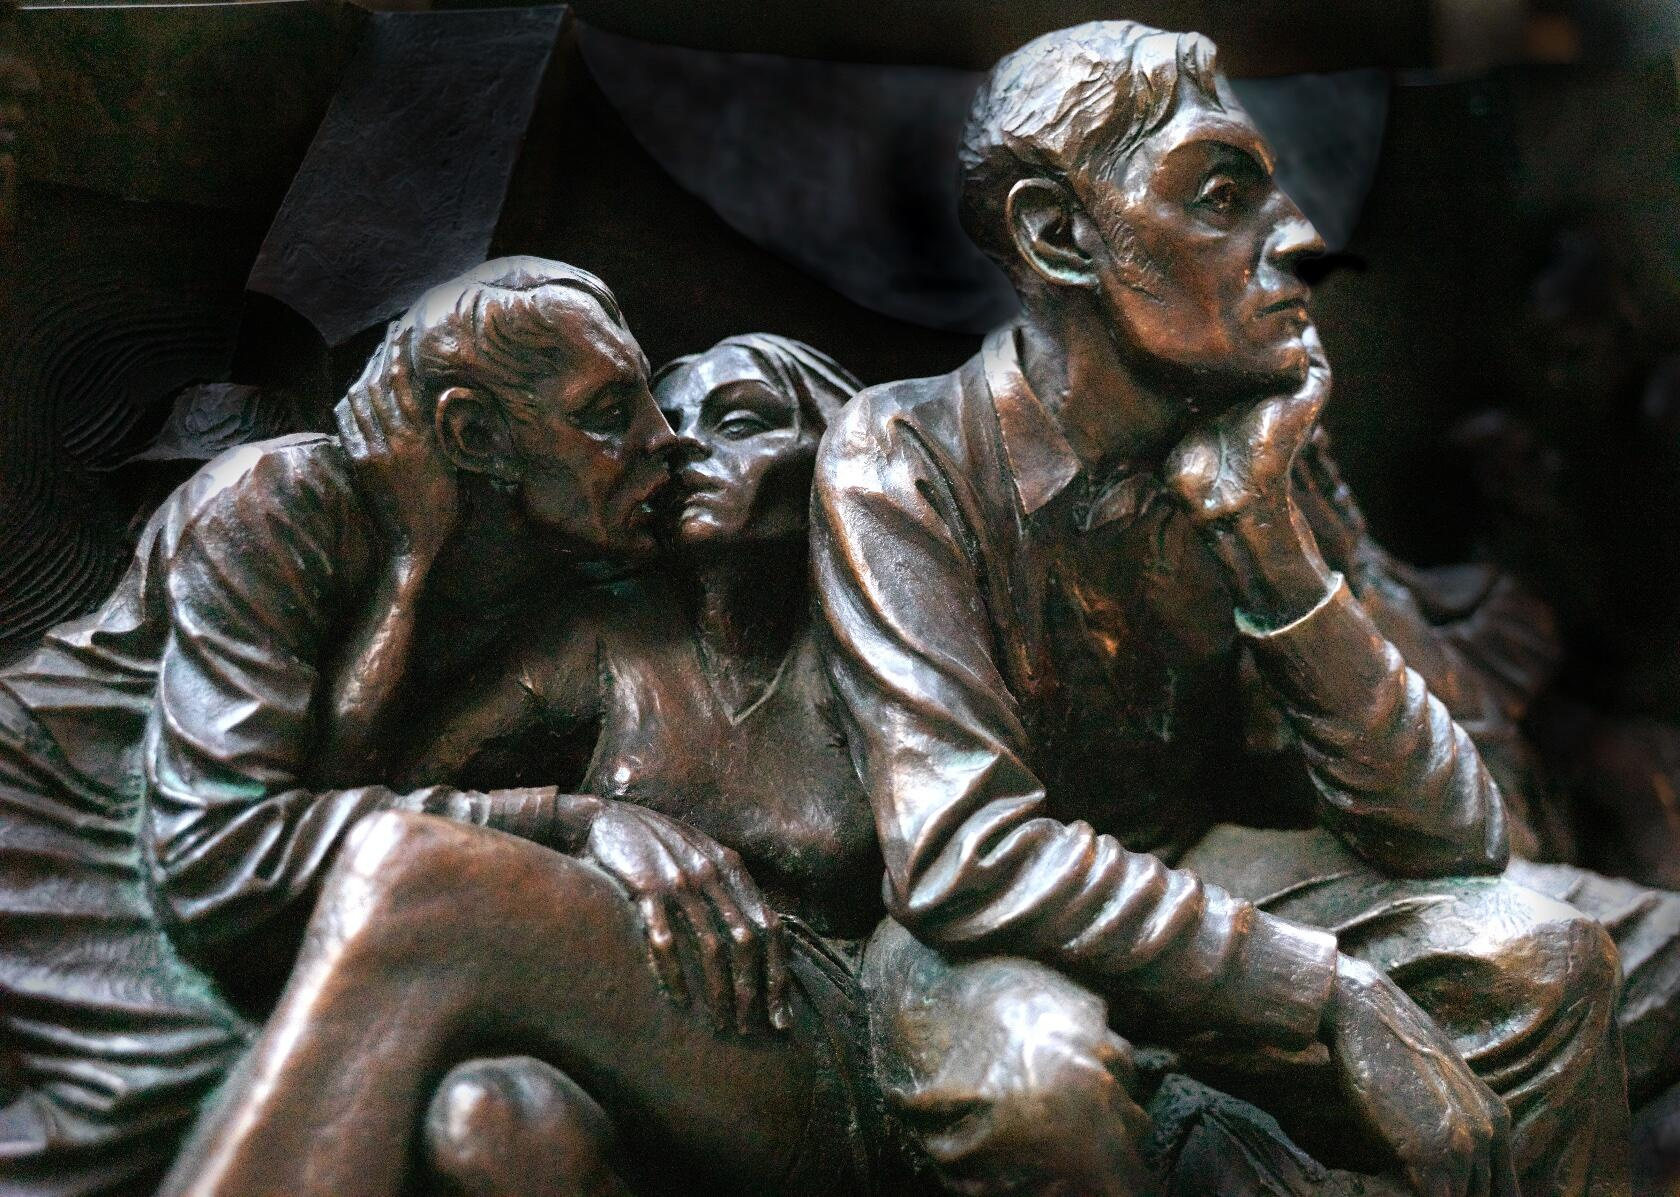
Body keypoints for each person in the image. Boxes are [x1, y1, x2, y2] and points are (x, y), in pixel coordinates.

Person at [811, 21, 1629, 1197]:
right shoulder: (899, 458)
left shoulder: (1237, 442)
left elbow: (1455, 838)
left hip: (1196, 876)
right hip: (976, 939)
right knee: (1045, 1083)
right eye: (1222, 196)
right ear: (1058, 235)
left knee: (1548, 958)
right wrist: (1323, 990)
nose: (1298, 241)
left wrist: (1262, 532)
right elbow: (962, 855)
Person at [0, 257, 678, 1195]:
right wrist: (561, 821)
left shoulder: (567, 566)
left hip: (256, 875)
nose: (663, 439)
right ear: (474, 434)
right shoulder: (273, 500)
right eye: (607, 413)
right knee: (197, 1086)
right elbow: (222, 860)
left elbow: (326, 788)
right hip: (54, 810)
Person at [153, 335, 887, 1197]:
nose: (685, 445)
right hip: (633, 1011)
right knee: (494, 1119)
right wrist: (409, 568)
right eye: (671, 421)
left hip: (808, 1036)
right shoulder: (608, 635)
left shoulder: (889, 660)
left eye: (741, 422)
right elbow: (365, 795)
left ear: (840, 449)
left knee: (417, 874)